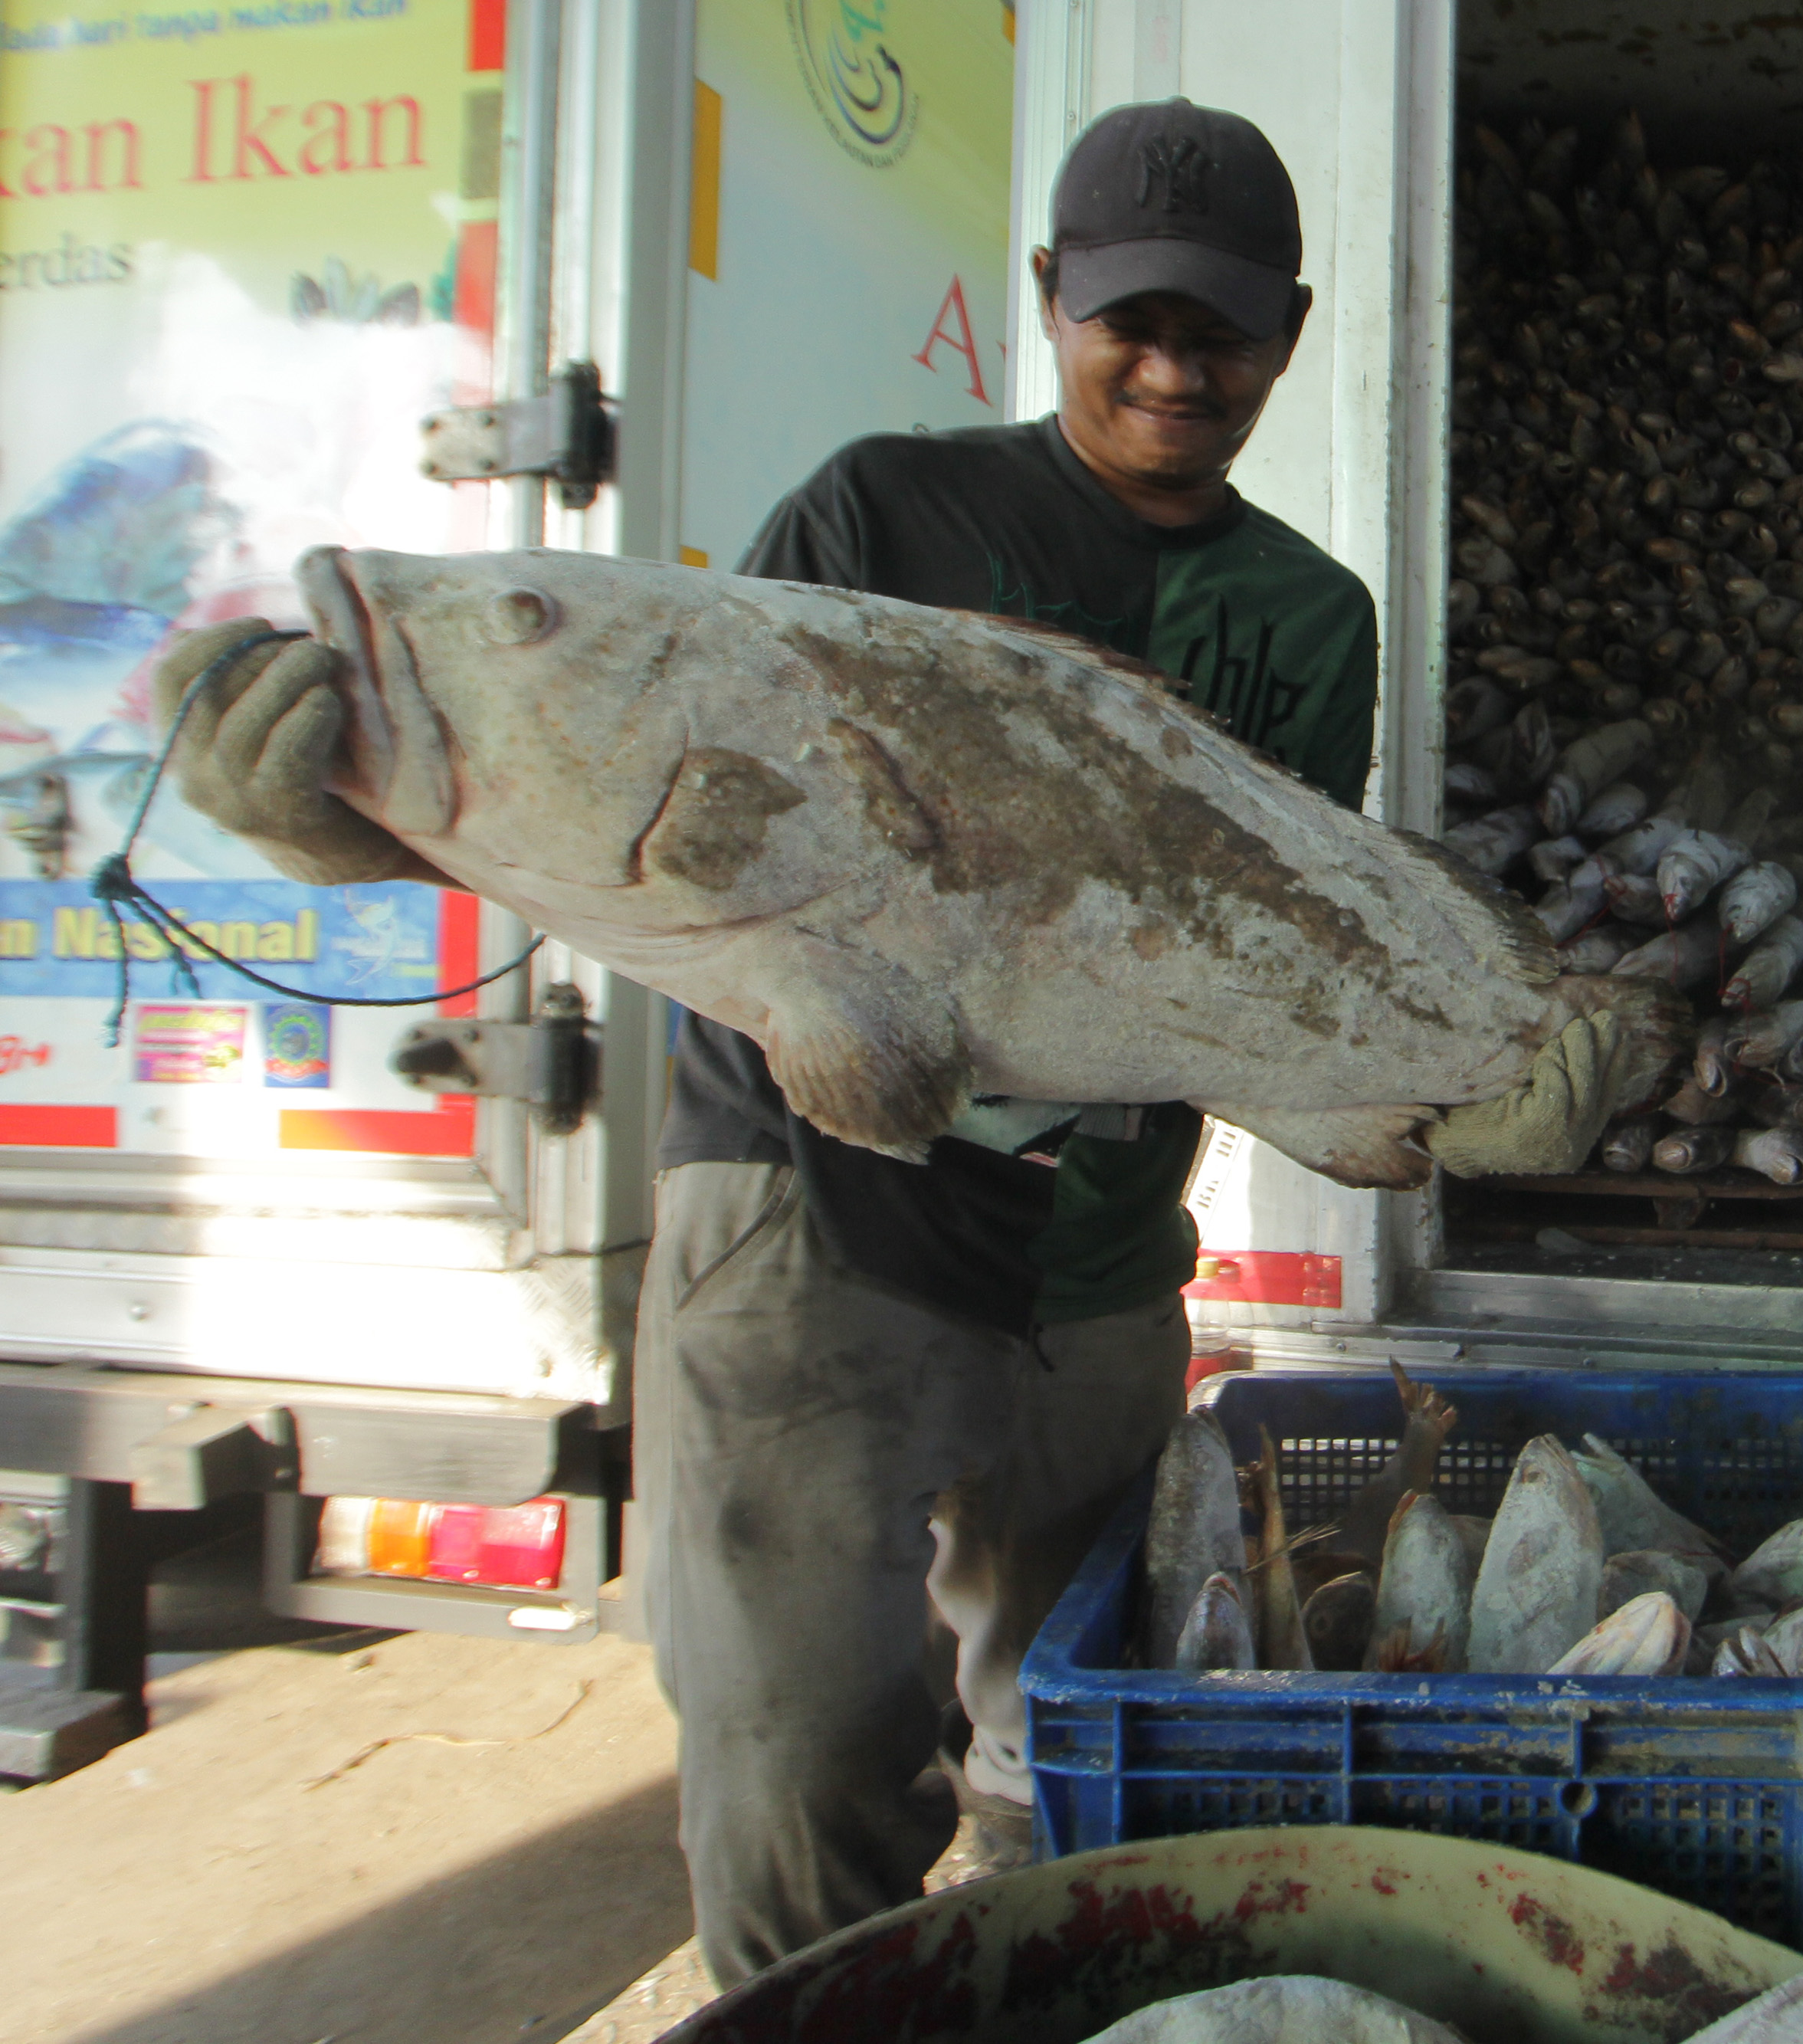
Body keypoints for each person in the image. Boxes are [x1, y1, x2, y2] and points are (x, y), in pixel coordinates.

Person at [153, 98, 1630, 1987]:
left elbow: (1272, 946)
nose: (1175, 368)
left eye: (1226, 330)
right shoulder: (878, 510)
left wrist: (1448, 1081)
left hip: (1095, 1256)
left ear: (1294, 324)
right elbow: (641, 816)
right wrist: (355, 802)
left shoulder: (1309, 612)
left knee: (1066, 1735)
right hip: (804, 1217)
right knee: (808, 1755)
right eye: (1129, 320)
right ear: (1049, 300)